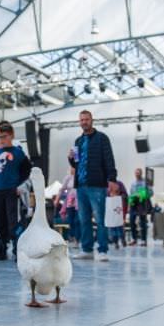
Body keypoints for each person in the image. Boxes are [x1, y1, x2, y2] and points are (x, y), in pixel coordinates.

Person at [68, 110, 118, 262]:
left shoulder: (102, 138)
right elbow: (75, 164)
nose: (84, 122)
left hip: (97, 184)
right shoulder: (78, 141)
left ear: (92, 120)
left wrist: (112, 178)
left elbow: (109, 159)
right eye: (82, 120)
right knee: (83, 219)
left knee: (100, 218)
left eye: (86, 119)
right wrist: (70, 159)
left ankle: (102, 250)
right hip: (81, 185)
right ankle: (87, 249)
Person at [0, 120, 31, 261]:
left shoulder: (19, 154)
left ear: (11, 135)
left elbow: (28, 174)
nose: (2, 140)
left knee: (15, 223)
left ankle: (19, 249)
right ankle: (1, 249)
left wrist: (21, 188)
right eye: (0, 137)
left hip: (12, 192)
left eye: (5, 136)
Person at [55, 167, 80, 248]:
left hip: (79, 202)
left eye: (74, 168)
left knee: (77, 221)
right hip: (69, 202)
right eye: (72, 168)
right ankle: (72, 236)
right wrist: (57, 199)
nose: (73, 169)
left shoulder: (80, 176)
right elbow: (62, 189)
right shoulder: (68, 178)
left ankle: (77, 239)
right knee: (70, 221)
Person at [129, 168, 153, 247]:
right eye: (136, 173)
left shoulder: (146, 183)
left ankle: (143, 240)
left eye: (138, 173)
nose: (137, 174)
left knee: (143, 222)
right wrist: (131, 200)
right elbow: (131, 193)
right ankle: (134, 239)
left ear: (141, 173)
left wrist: (143, 194)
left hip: (142, 203)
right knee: (132, 221)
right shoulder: (133, 183)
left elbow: (151, 193)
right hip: (134, 203)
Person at [108, 180, 128, 249]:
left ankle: (122, 239)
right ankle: (115, 242)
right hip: (110, 208)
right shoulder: (106, 184)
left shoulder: (120, 183)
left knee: (119, 225)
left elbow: (125, 195)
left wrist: (118, 196)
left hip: (118, 207)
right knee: (112, 226)